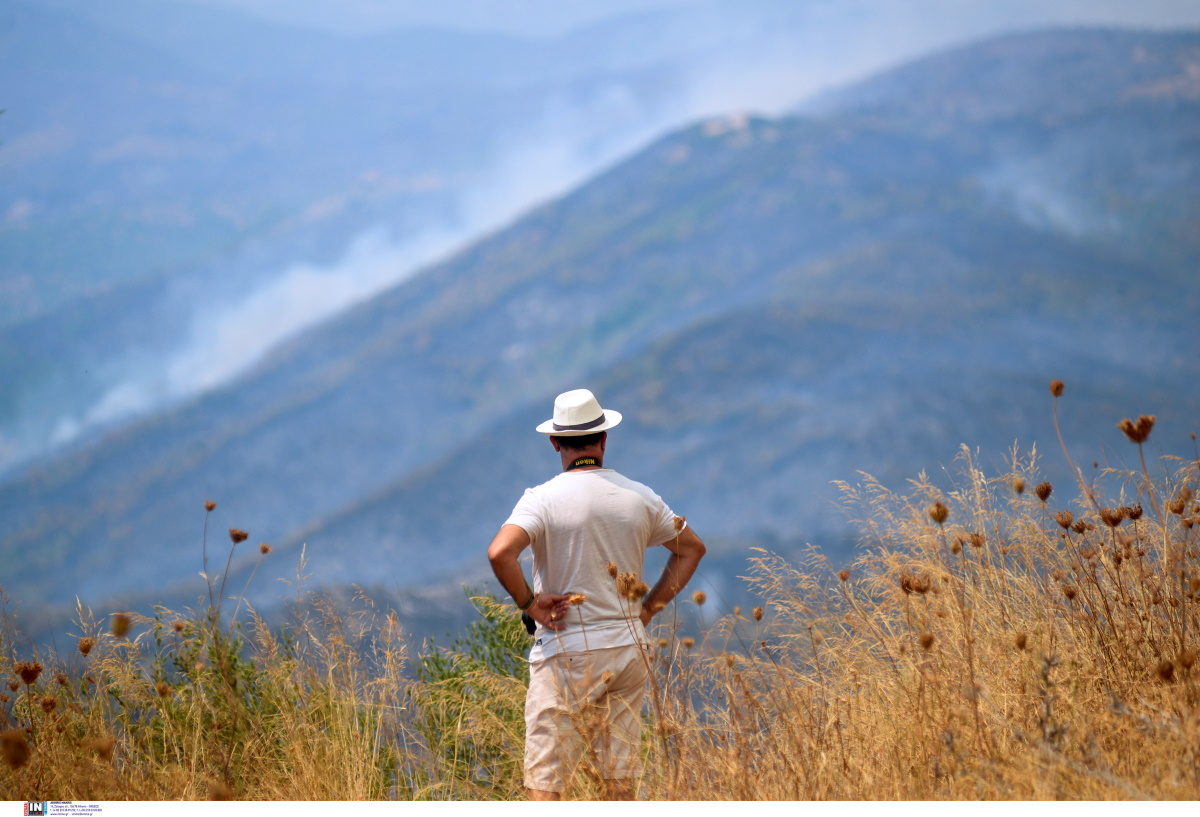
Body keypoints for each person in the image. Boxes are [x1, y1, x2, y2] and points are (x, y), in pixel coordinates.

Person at [487, 388, 706, 800]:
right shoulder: (641, 497)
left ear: (554, 442)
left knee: (547, 781)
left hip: (568, 648)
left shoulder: (541, 500)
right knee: (618, 779)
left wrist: (529, 604)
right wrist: (647, 610)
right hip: (629, 646)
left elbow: (500, 553)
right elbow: (691, 549)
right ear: (604, 438)